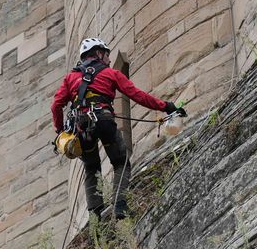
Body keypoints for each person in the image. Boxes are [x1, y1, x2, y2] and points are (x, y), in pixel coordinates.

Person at [51, 37, 186, 220]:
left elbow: (56, 106)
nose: (108, 59)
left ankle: (95, 215)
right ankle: (120, 205)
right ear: (98, 53)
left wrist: (60, 131)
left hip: (81, 128)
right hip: (104, 121)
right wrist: (167, 106)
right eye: (107, 55)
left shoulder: (70, 78)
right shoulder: (111, 73)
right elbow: (137, 95)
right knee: (121, 161)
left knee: (91, 167)